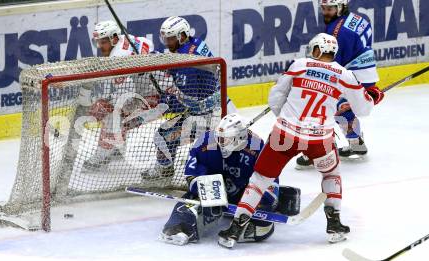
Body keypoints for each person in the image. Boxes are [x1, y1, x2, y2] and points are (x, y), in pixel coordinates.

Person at [218, 33, 383, 248]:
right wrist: (374, 95)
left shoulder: (299, 65)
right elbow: (364, 108)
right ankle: (334, 225)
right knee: (331, 174)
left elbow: (275, 98)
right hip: (319, 140)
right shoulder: (345, 75)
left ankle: (234, 230)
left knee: (259, 180)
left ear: (315, 50)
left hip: (284, 135)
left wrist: (288, 119)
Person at [160, 113, 288, 246]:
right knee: (191, 199)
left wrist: (265, 201)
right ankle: (179, 225)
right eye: (219, 138)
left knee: (264, 211)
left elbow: (269, 181)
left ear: (239, 138)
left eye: (225, 140)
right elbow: (191, 174)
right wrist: (210, 192)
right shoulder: (205, 141)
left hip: (244, 194)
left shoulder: (257, 146)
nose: (220, 142)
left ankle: (252, 229)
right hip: (213, 188)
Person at [141, 16, 236, 180]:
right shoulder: (193, 44)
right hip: (223, 108)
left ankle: (167, 171)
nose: (167, 43)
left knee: (164, 136)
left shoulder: (188, 66)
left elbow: (186, 101)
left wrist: (167, 101)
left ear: (182, 36)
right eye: (165, 38)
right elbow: (178, 60)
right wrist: (157, 60)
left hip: (210, 117)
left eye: (170, 39)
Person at [296, 0, 384, 168]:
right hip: (364, 72)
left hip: (353, 74)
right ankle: (355, 144)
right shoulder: (358, 18)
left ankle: (319, 150)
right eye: (324, 8)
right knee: (340, 107)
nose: (325, 12)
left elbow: (329, 65)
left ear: (341, 7)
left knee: (321, 103)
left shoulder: (337, 33)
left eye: (329, 9)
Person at [82, 20, 159, 169]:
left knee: (114, 116)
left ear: (114, 38)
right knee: (117, 110)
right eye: (97, 42)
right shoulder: (128, 38)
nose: (99, 46)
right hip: (149, 92)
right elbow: (149, 43)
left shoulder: (117, 58)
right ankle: (117, 146)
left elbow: (122, 97)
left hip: (155, 100)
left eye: (103, 42)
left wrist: (106, 105)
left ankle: (102, 156)